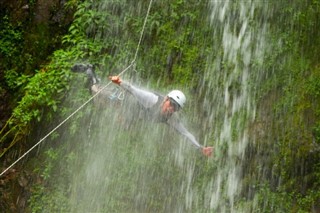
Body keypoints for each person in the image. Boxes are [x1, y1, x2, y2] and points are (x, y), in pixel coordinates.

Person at [71, 64, 213, 157]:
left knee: (124, 127)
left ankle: (119, 114)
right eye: (171, 104)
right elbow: (133, 90)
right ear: (166, 99)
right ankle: (90, 72)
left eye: (175, 108)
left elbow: (185, 133)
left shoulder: (171, 118)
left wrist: (200, 148)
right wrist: (119, 82)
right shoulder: (152, 99)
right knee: (96, 91)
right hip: (123, 101)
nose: (170, 109)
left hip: (133, 116)